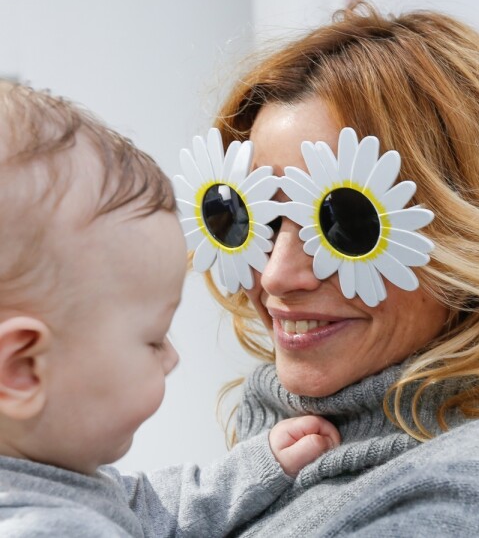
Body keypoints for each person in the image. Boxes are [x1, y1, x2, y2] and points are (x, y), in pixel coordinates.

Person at [195, 2, 479, 536]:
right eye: (250, 215)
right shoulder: (265, 462)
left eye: (343, 222)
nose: (277, 276)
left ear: (469, 234)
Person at [0, 81, 340, 537]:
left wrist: (260, 465)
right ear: (23, 368)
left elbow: (148, 507)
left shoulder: (55, 484)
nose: (172, 357)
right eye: (153, 339)